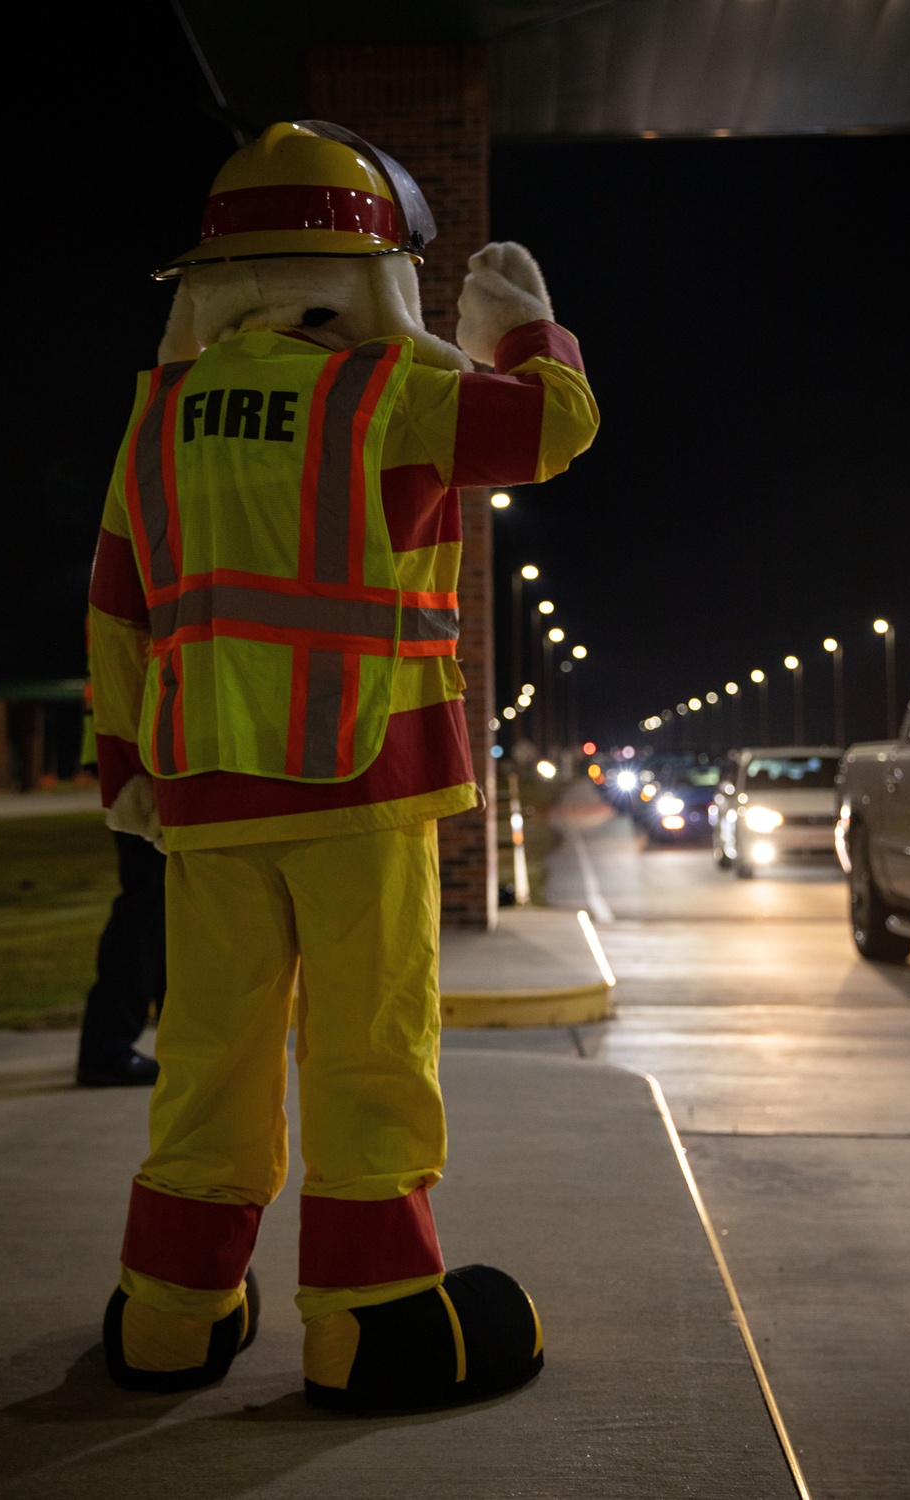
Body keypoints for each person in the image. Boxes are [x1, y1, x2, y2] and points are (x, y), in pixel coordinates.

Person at [90, 120, 599, 1411]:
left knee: (211, 1055)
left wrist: (121, 773)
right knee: (369, 1051)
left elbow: (115, 604)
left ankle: (170, 1309)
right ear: (371, 277)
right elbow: (556, 429)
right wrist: (520, 323)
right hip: (359, 785)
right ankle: (370, 1319)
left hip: (203, 800)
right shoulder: (389, 397)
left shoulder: (158, 420)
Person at [76, 625, 164, 1087]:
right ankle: (107, 1045)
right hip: (145, 740)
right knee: (150, 902)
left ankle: (167, 1035)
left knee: (163, 902)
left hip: (134, 733)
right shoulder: (141, 551)